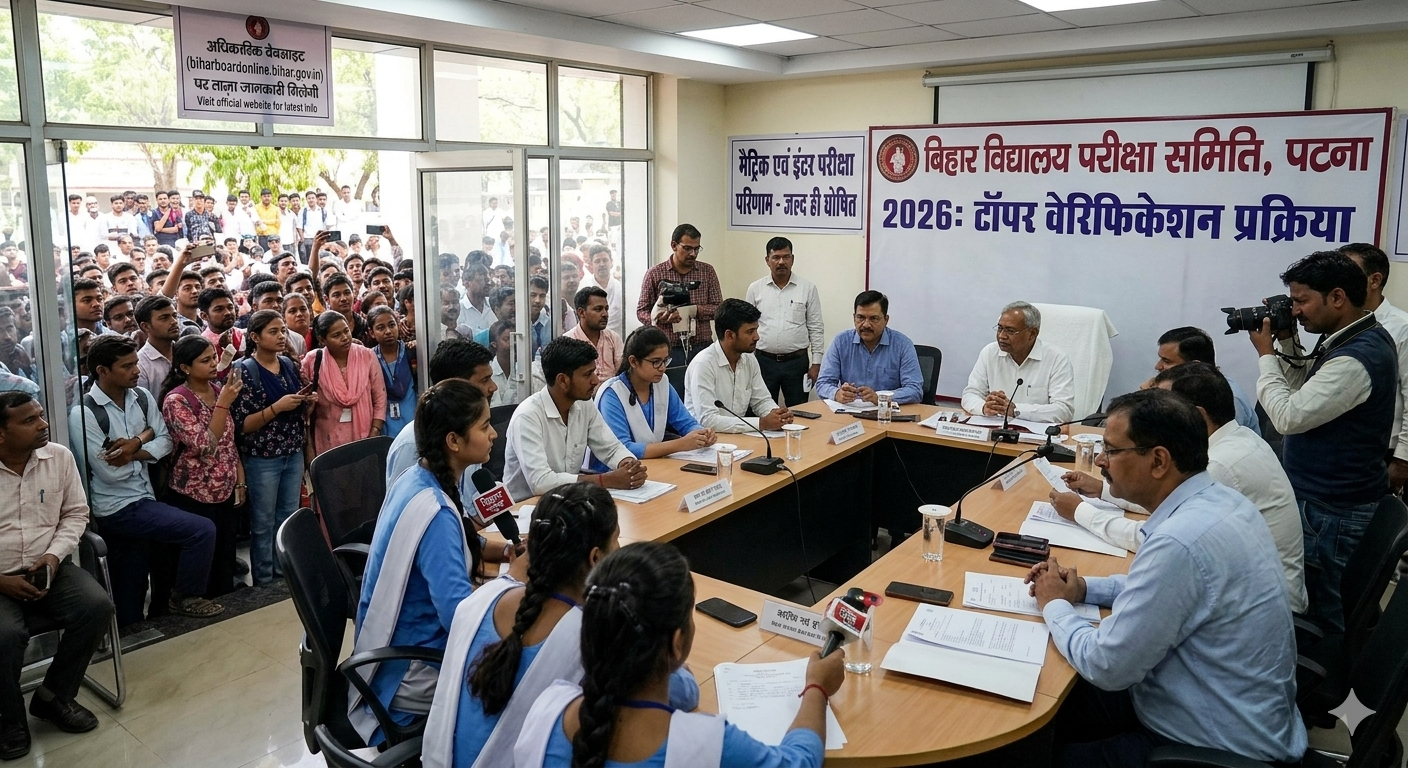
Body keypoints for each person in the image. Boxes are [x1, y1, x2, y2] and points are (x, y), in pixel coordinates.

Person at [1026, 389, 1305, 768]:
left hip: (1210, 746)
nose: (1101, 461)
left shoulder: (1181, 540)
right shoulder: (1222, 502)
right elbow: (1167, 590)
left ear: (1158, 460)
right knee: (1053, 706)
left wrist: (1054, 604)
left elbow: (1105, 665)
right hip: (1220, 707)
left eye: (1111, 450)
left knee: (1031, 751)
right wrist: (1084, 588)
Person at [519, 541, 845, 768]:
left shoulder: (548, 709)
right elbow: (799, 762)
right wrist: (816, 688)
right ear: (677, 644)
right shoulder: (709, 743)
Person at [1052, 362, 1308, 614]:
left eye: (1162, 405)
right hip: (1242, 594)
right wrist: (1102, 489)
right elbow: (1167, 498)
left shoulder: (1220, 464)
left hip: (1260, 608)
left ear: (1195, 416)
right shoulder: (1236, 438)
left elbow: (1151, 539)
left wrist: (1081, 513)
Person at [424, 483, 632, 768]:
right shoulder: (593, 638)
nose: (619, 550)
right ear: (595, 558)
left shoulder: (482, 598)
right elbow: (675, 692)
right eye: (616, 540)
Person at [350, 380, 507, 745]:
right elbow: (460, 618)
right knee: (520, 678)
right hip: (410, 670)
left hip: (393, 652)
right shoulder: (436, 513)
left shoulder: (417, 478)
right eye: (484, 426)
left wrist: (502, 552)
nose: (494, 434)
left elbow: (449, 544)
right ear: (454, 441)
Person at [1250, 251, 1396, 633]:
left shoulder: (1357, 358)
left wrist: (1266, 356)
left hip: (1331, 513)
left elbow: (1288, 417)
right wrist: (1286, 340)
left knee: (1320, 616)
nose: (1295, 311)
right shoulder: (1351, 338)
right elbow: (1301, 392)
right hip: (1324, 504)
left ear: (1337, 297)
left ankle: (1319, 669)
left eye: (1301, 301)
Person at [68, 335, 222, 621]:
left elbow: (166, 441)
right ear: (102, 371)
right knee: (200, 531)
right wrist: (145, 442)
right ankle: (185, 597)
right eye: (127, 366)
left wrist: (135, 446)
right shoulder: (84, 413)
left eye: (136, 363)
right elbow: (108, 471)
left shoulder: (141, 397)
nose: (136, 371)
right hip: (117, 507)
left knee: (139, 577)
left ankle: (161, 613)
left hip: (147, 497)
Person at [0, 392, 113, 758]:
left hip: (49, 566)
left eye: (41, 415)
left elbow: (76, 514)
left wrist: (53, 556)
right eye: (29, 420)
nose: (43, 424)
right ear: (1, 433)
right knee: (5, 636)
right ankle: (9, 719)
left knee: (96, 606)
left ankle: (53, 697)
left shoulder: (59, 457)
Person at [503, 338, 646, 501]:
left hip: (566, 499)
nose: (595, 380)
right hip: (526, 507)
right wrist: (605, 480)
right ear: (563, 380)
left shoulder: (584, 404)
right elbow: (540, 482)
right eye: (587, 374)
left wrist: (628, 465)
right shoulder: (527, 416)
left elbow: (611, 448)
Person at [232, 311, 315, 586]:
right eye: (273, 331)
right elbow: (242, 424)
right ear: (255, 337)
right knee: (263, 522)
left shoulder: (288, 364)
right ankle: (264, 581)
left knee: (287, 518)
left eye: (282, 331)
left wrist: (306, 402)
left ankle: (283, 576)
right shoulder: (244, 370)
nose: (281, 336)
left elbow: (297, 409)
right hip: (262, 458)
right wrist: (277, 407)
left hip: (292, 451)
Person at [158, 335, 245, 599]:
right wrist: (224, 404)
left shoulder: (217, 391)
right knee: (201, 555)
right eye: (205, 360)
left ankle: (226, 602)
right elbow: (205, 444)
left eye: (213, 358)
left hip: (224, 488)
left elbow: (229, 442)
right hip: (194, 492)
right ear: (185, 367)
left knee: (225, 553)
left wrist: (240, 480)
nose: (213, 364)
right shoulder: (177, 400)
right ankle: (193, 602)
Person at [593, 327, 715, 473]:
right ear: (633, 361)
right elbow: (622, 448)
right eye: (656, 362)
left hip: (651, 466)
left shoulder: (662, 383)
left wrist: (701, 434)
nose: (662, 368)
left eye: (665, 361)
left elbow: (686, 423)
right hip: (612, 474)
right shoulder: (612, 394)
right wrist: (681, 444)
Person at [1339, 243, 1408, 491]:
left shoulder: (1402, 328)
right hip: (1343, 450)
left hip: (1385, 453)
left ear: (1374, 280)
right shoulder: (1339, 323)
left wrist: (1403, 461)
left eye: (1348, 273)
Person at [385, 338, 498, 489]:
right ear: (455, 386)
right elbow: (407, 501)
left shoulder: (471, 431)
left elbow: (470, 500)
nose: (493, 387)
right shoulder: (412, 444)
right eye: (484, 380)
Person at [684, 298, 793, 434]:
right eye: (750, 332)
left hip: (739, 436)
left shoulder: (749, 359)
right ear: (730, 335)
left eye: (756, 330)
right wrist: (762, 423)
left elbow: (761, 401)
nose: (757, 337)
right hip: (706, 440)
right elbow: (707, 420)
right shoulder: (703, 365)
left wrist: (778, 416)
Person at [961, 301, 1076, 423]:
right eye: (1000, 328)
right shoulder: (989, 352)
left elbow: (1064, 410)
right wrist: (984, 407)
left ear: (1032, 333)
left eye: (1010, 331)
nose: (1002, 336)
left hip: (1036, 432)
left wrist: (1015, 410)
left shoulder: (1056, 358)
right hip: (995, 428)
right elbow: (970, 394)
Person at [746, 237, 825, 408]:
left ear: (792, 259)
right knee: (762, 409)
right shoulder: (755, 289)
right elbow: (747, 328)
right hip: (763, 362)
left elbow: (816, 327)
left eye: (786, 257)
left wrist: (816, 363)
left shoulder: (807, 288)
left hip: (797, 363)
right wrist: (747, 361)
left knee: (799, 410)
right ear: (767, 260)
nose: (781, 262)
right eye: (776, 257)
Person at [813, 290, 921, 407]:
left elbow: (915, 390)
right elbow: (823, 383)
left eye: (874, 318)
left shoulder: (902, 345)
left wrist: (880, 397)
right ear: (854, 318)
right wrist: (837, 393)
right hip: (850, 412)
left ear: (886, 320)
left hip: (886, 413)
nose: (866, 325)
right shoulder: (841, 342)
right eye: (860, 317)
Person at [635, 224, 722, 368]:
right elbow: (641, 311)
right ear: (674, 245)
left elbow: (719, 308)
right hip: (667, 349)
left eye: (697, 249)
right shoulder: (655, 274)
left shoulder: (707, 272)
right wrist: (657, 318)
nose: (693, 254)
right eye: (687, 248)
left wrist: (695, 310)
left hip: (702, 347)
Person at [302, 311, 387, 456]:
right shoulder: (313, 360)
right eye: (336, 335)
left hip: (365, 437)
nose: (345, 338)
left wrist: (374, 432)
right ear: (322, 340)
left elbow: (380, 398)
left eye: (346, 331)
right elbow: (304, 399)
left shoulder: (367, 355)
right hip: (328, 439)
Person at [1151, 327, 1259, 431]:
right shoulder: (1190, 389)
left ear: (1194, 366)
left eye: (1167, 361)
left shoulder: (1230, 399)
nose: (1157, 366)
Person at [370, 306, 416, 440]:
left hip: (411, 419)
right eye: (380, 328)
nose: (388, 331)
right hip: (385, 423)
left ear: (398, 326)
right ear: (372, 333)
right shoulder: (370, 358)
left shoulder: (411, 352)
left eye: (392, 325)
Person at [565, 286, 622, 385]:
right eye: (598, 309)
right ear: (581, 312)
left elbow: (622, 375)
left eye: (606, 309)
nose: (605, 314)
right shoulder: (568, 341)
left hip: (611, 392)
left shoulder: (613, 338)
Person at [580, 244, 622, 333]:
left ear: (611, 262)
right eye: (597, 261)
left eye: (605, 260)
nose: (602, 264)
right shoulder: (583, 287)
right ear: (591, 264)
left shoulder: (620, 287)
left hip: (618, 336)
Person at [459, 263, 495, 337]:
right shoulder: (458, 310)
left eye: (488, 280)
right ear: (467, 283)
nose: (489, 283)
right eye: (483, 280)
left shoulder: (494, 305)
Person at [282, 292, 312, 358]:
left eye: (303, 309)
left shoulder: (318, 336)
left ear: (310, 312)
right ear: (283, 317)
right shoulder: (281, 341)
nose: (299, 314)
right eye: (293, 311)